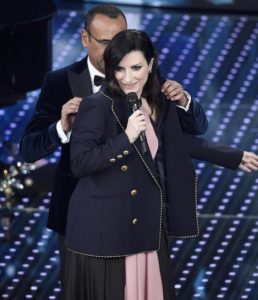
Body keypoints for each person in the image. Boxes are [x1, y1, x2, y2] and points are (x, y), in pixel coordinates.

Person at [63, 29, 258, 300]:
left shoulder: (158, 101)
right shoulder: (97, 105)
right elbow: (80, 163)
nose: (128, 77)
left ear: (151, 64)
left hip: (146, 220)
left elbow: (179, 142)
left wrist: (232, 157)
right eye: (119, 69)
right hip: (107, 228)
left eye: (136, 67)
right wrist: (127, 138)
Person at [19, 3, 209, 286]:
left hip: (140, 215)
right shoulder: (59, 82)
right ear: (85, 39)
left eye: (120, 40)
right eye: (106, 42)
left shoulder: (144, 76)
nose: (114, 51)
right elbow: (29, 149)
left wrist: (184, 102)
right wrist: (62, 128)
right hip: (79, 218)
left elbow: (195, 130)